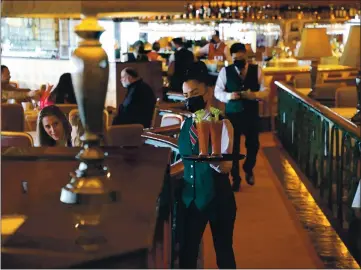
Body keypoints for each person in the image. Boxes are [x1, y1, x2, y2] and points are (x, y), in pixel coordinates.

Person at [177, 66, 237, 268]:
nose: (189, 99)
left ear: (208, 92)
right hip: (192, 199)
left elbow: (226, 167)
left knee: (224, 252)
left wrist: (211, 158)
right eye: (185, 95)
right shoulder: (185, 124)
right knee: (187, 253)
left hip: (218, 197)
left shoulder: (222, 123)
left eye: (194, 94)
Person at [214, 43, 270, 191]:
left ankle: (248, 167)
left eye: (241, 56)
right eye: (236, 57)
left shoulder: (256, 70)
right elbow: (217, 92)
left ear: (246, 55)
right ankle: (236, 179)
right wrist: (229, 96)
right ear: (231, 57)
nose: (239, 59)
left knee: (253, 145)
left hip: (251, 114)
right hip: (233, 115)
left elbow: (266, 90)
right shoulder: (225, 72)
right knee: (233, 148)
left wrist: (255, 95)